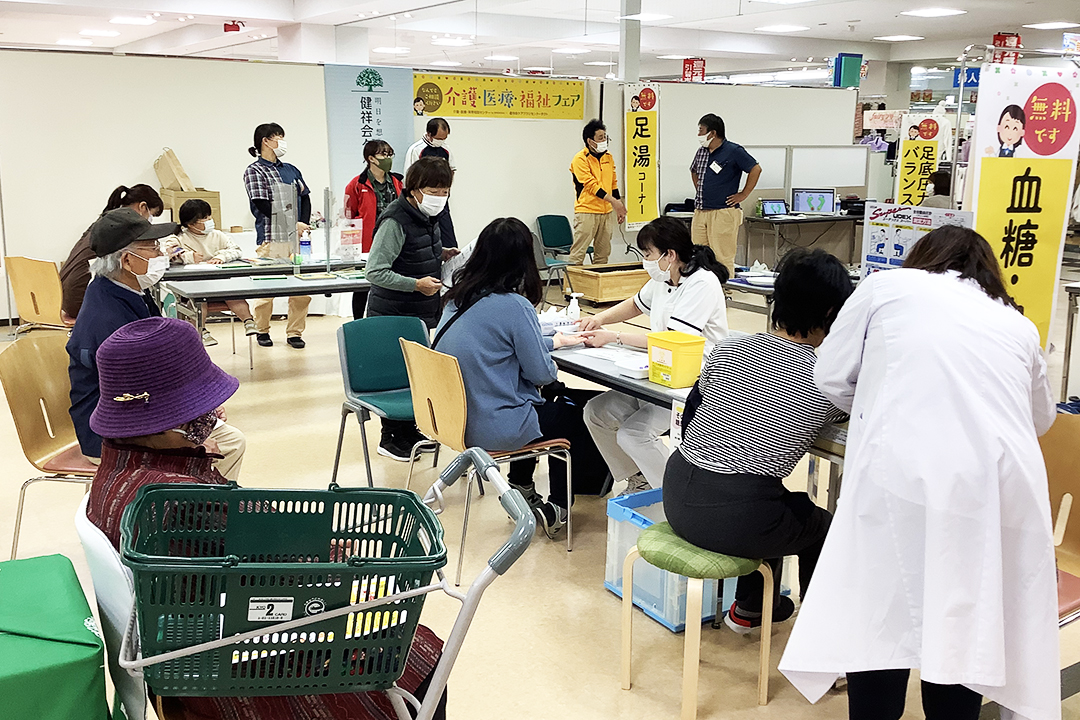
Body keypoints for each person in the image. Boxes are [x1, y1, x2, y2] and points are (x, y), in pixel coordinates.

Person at [85, 316, 447, 720]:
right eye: (200, 405)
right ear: (164, 419)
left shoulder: (119, 473)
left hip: (175, 645)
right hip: (223, 667)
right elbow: (279, 573)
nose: (214, 413)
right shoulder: (180, 502)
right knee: (418, 654)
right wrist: (328, 558)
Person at [779, 226, 1058, 720]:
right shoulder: (1017, 323)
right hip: (993, 490)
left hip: (900, 474)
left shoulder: (886, 286)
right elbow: (1041, 418)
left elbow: (830, 377)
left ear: (924, 258)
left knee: (879, 616)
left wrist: (880, 400)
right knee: (963, 627)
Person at [664, 248, 853, 633]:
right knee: (818, 525)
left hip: (677, 493)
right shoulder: (822, 378)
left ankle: (752, 608)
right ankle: (818, 633)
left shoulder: (728, 347)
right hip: (736, 519)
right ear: (832, 314)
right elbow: (850, 409)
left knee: (780, 502)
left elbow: (692, 417)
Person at [67, 208, 246, 479]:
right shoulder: (109, 319)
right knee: (228, 444)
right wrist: (195, 423)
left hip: (135, 414)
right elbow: (138, 396)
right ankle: (195, 504)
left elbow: (157, 371)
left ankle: (202, 500)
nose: (161, 254)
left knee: (229, 437)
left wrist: (202, 403)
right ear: (128, 260)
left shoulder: (121, 291)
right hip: (117, 433)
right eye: (153, 248)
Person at [434, 217, 583, 536]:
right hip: (492, 426)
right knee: (568, 412)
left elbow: (493, 344)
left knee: (531, 405)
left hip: (452, 419)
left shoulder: (457, 298)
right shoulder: (514, 305)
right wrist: (548, 352)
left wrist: (552, 342)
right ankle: (558, 508)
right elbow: (541, 372)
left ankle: (522, 487)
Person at [578, 216, 729, 495]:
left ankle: (675, 496)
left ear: (669, 255)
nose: (645, 261)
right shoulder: (664, 277)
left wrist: (614, 337)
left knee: (633, 434)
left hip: (695, 383)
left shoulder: (702, 283)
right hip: (660, 372)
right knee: (596, 412)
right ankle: (641, 479)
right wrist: (599, 319)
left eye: (648, 254)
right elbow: (636, 304)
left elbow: (671, 340)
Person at [366, 156, 459, 461]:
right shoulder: (395, 220)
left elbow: (411, 252)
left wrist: (441, 253)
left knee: (415, 373)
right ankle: (390, 438)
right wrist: (416, 284)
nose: (440, 198)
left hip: (417, 311)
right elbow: (375, 271)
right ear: (414, 189)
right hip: (392, 311)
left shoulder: (426, 216)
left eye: (445, 192)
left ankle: (409, 431)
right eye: (434, 191)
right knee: (396, 374)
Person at [243, 122, 312, 349]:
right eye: (279, 137)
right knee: (267, 289)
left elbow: (305, 197)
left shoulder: (291, 169)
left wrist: (303, 223)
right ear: (266, 141)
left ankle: (295, 332)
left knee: (302, 289)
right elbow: (262, 204)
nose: (283, 142)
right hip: (272, 237)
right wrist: (292, 223)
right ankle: (262, 329)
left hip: (297, 239)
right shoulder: (254, 171)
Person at [60, 184, 164, 320]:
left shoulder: (103, 225)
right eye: (153, 215)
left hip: (63, 296)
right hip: (79, 300)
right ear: (143, 207)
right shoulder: (120, 231)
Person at [166, 198, 256, 345]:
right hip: (194, 286)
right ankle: (202, 330)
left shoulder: (217, 235)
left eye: (209, 217)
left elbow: (236, 250)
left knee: (233, 294)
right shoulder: (178, 237)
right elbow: (169, 254)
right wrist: (189, 257)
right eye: (204, 218)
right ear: (191, 224)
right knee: (199, 300)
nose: (209, 221)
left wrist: (221, 257)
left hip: (218, 284)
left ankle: (249, 322)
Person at [690, 113, 761, 277]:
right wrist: (700, 188)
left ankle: (726, 288)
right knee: (699, 255)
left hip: (723, 212)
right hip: (701, 211)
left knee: (722, 256)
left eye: (701, 130)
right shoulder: (701, 152)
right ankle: (702, 287)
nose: (699, 134)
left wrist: (743, 194)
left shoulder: (733, 151)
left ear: (712, 133)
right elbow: (694, 171)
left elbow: (755, 169)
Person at [343, 139, 403, 319]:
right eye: (383, 154)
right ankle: (358, 322)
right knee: (362, 286)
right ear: (371, 158)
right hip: (367, 243)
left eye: (390, 154)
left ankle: (388, 320)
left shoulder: (397, 181)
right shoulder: (356, 184)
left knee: (393, 282)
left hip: (395, 240)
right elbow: (349, 215)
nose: (388, 158)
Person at [569, 118, 625, 265]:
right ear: (590, 141)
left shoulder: (608, 157)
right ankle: (571, 281)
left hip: (606, 212)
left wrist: (619, 205)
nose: (604, 141)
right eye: (600, 138)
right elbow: (591, 185)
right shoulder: (580, 159)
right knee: (578, 254)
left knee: (603, 254)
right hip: (587, 212)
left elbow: (613, 183)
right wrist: (614, 202)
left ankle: (599, 280)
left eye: (605, 137)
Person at [404, 117, 458, 249]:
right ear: (429, 134)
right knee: (423, 240)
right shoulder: (416, 150)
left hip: (441, 202)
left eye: (444, 138)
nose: (441, 141)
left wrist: (445, 192)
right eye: (439, 138)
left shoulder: (446, 149)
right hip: (422, 200)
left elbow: (452, 170)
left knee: (448, 238)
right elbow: (409, 178)